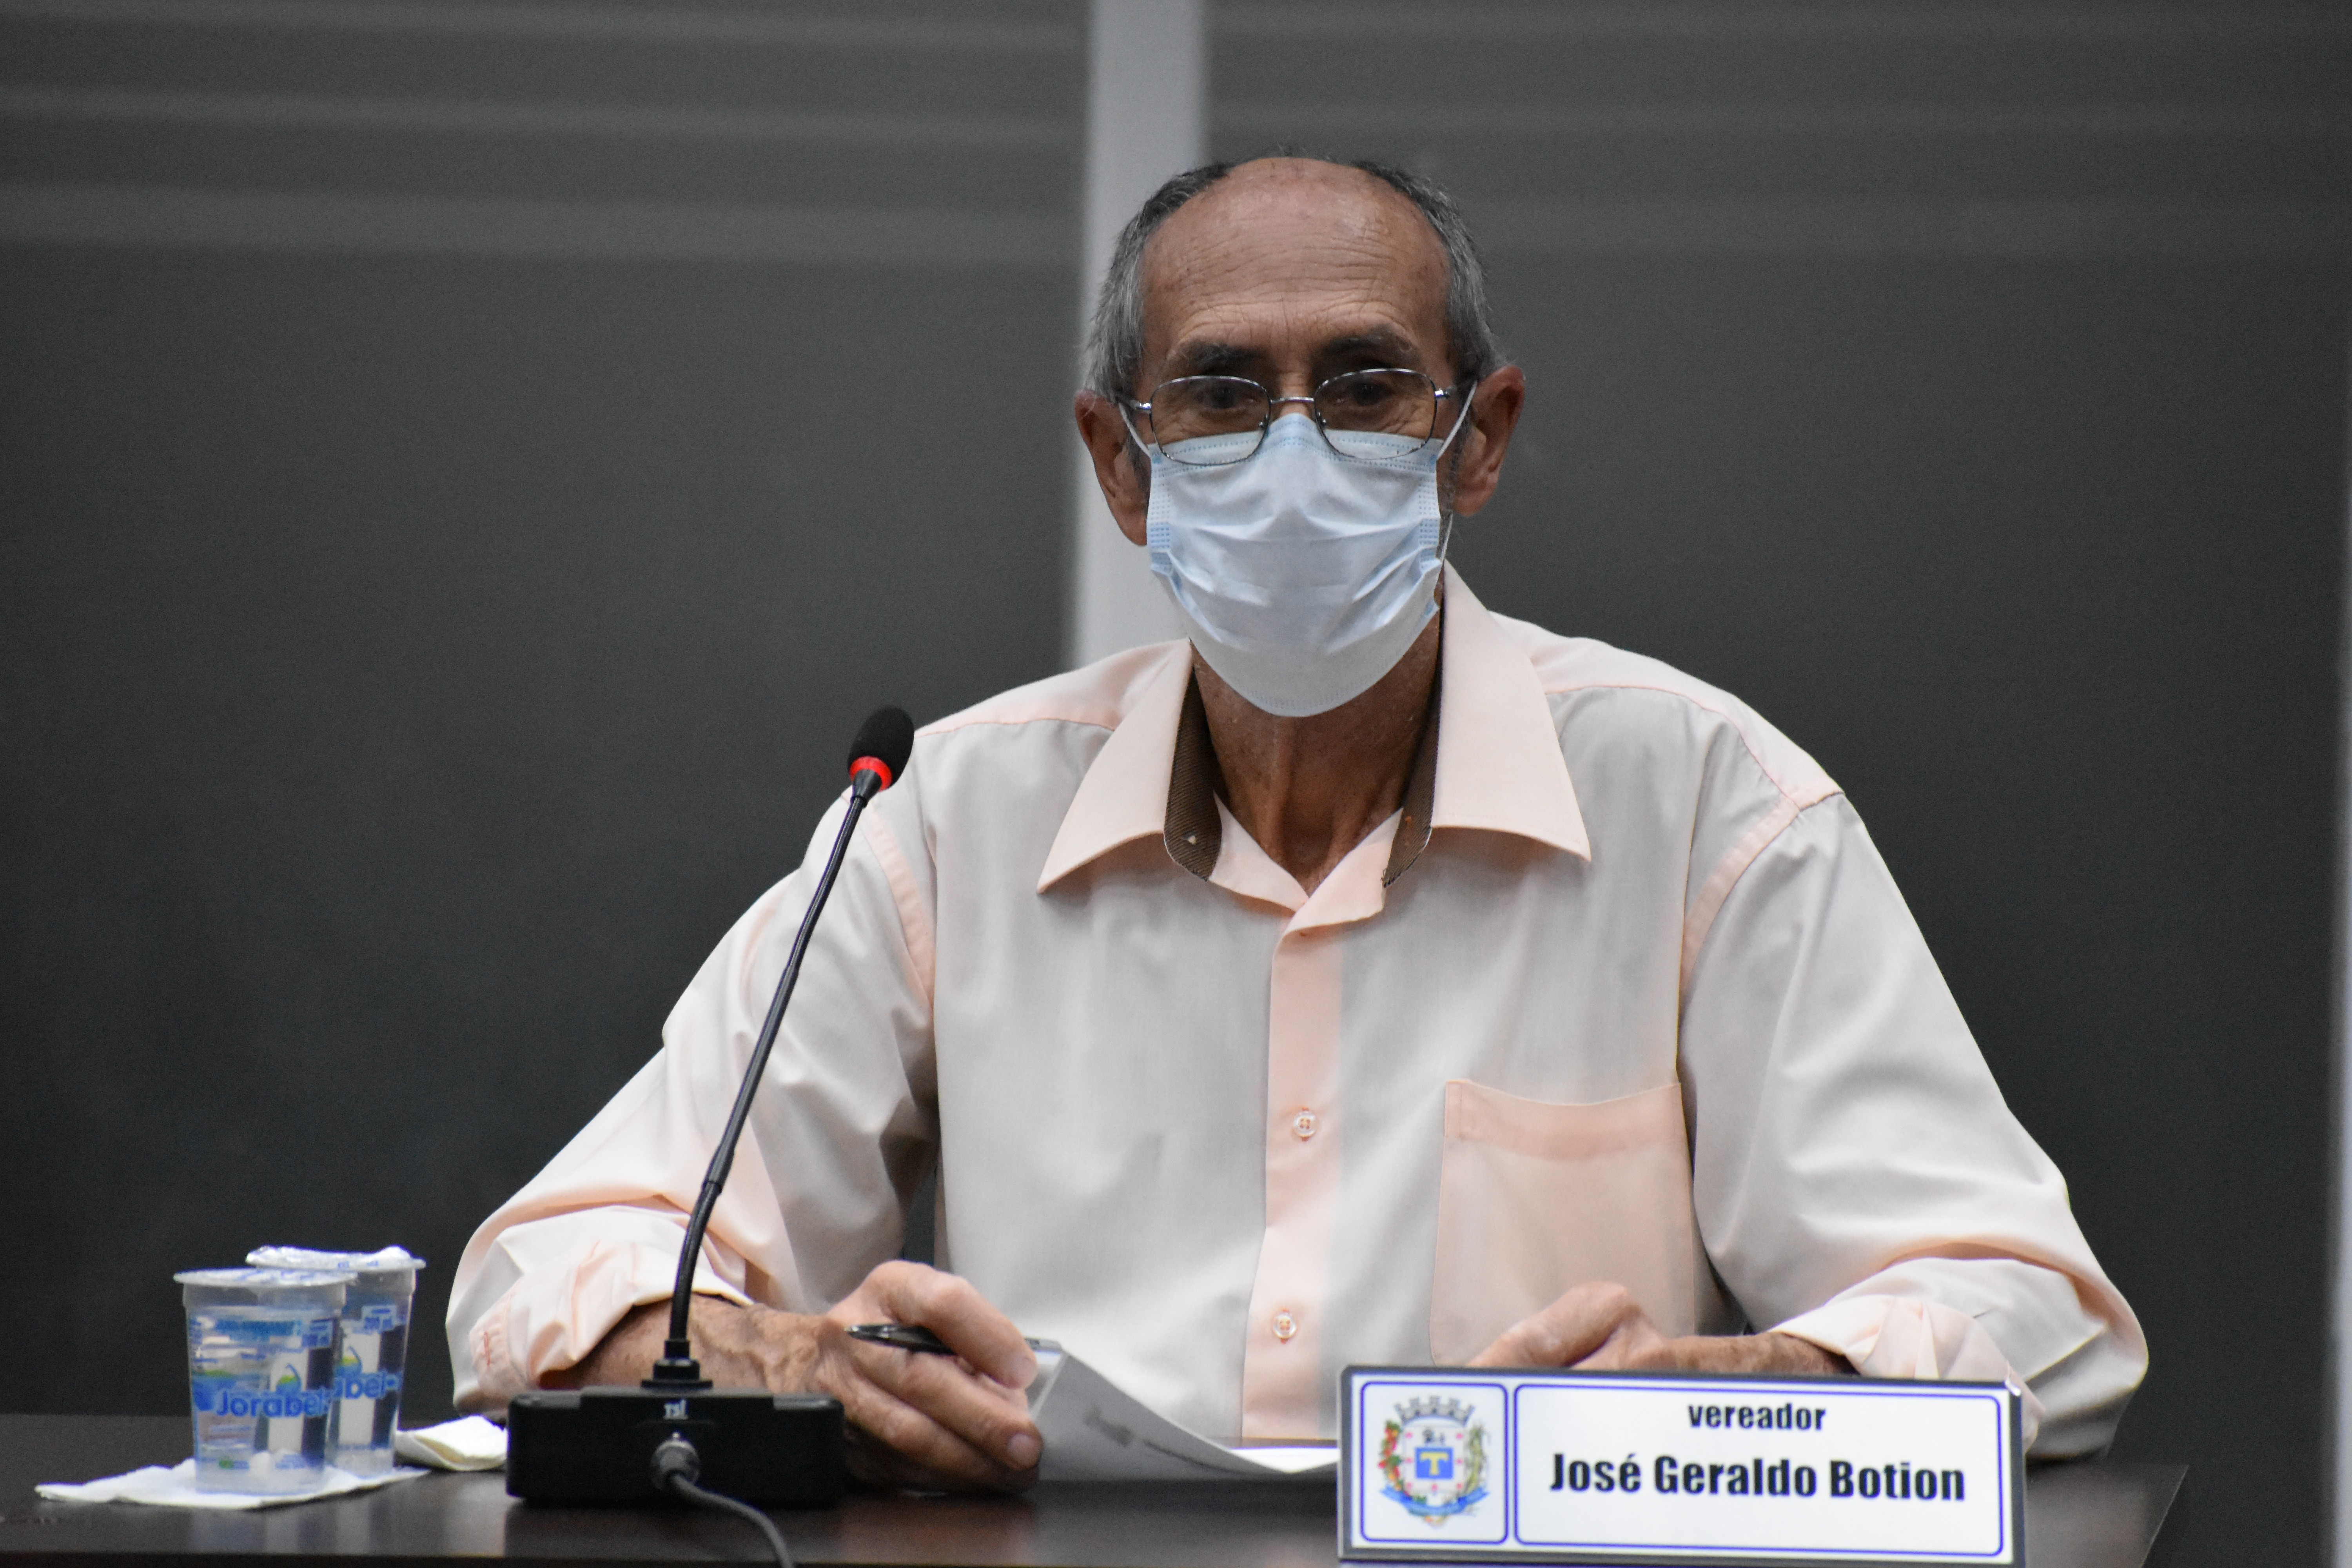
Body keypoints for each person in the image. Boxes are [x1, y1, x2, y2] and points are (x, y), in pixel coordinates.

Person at [447, 157, 2145, 1493]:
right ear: (1122, 464)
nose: (1292, 452)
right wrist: (792, 1366)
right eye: (1219, 393)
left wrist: (1743, 1393)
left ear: (1477, 441)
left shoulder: (1706, 802)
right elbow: (550, 1275)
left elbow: (2037, 1323)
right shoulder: (950, 820)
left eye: (1365, 384)